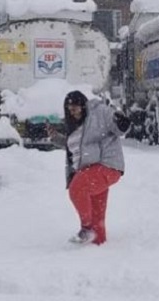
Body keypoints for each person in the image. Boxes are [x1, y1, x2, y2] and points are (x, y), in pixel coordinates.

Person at [48, 90, 131, 245]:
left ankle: (86, 229)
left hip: (106, 165)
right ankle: (97, 248)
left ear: (83, 105)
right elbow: (75, 146)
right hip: (91, 170)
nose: (73, 113)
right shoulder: (75, 128)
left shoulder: (98, 112)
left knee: (77, 189)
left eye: (76, 108)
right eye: (70, 110)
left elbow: (118, 126)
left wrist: (122, 122)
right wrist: (56, 138)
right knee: (97, 217)